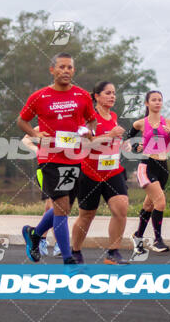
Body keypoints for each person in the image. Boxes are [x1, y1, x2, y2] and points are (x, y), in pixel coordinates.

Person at [18, 52, 96, 265]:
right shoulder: (39, 96)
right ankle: (68, 257)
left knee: (64, 207)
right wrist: (35, 135)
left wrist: (87, 131)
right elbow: (22, 120)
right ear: (52, 70)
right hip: (50, 157)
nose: (66, 71)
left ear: (74, 70)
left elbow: (91, 121)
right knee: (61, 205)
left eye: (69, 67)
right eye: (61, 67)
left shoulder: (82, 95)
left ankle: (35, 234)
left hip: (73, 157)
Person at [71, 81, 130, 264]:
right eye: (107, 93)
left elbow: (112, 139)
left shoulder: (113, 115)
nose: (112, 96)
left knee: (121, 209)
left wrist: (121, 144)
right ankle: (75, 251)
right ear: (96, 96)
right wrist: (110, 136)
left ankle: (113, 253)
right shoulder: (89, 118)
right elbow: (86, 144)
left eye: (114, 93)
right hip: (90, 173)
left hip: (113, 171)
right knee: (87, 215)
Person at [125, 90, 170, 254]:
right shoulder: (140, 123)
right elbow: (128, 140)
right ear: (147, 103)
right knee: (160, 202)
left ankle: (138, 236)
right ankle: (158, 240)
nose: (157, 102)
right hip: (146, 166)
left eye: (160, 100)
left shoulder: (169, 123)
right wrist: (137, 147)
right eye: (154, 100)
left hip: (163, 167)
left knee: (149, 205)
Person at [21, 126, 61, 257]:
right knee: (56, 205)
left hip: (64, 168)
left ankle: (40, 239)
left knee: (51, 207)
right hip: (46, 169)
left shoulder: (70, 123)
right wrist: (38, 150)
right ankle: (58, 244)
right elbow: (25, 141)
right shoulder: (43, 125)